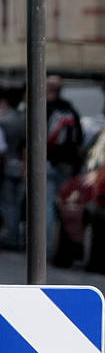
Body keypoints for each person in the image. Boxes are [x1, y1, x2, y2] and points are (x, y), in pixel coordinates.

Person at [46, 74, 82, 243]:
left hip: (47, 163)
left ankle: (47, 246)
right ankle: (63, 243)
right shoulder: (71, 110)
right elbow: (79, 142)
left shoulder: (43, 108)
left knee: (46, 206)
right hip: (67, 165)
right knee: (64, 207)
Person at [0, 85, 25, 250]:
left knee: (8, 204)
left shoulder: (3, 121)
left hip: (7, 165)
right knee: (16, 203)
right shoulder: (22, 120)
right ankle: (15, 235)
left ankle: (11, 237)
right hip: (20, 165)